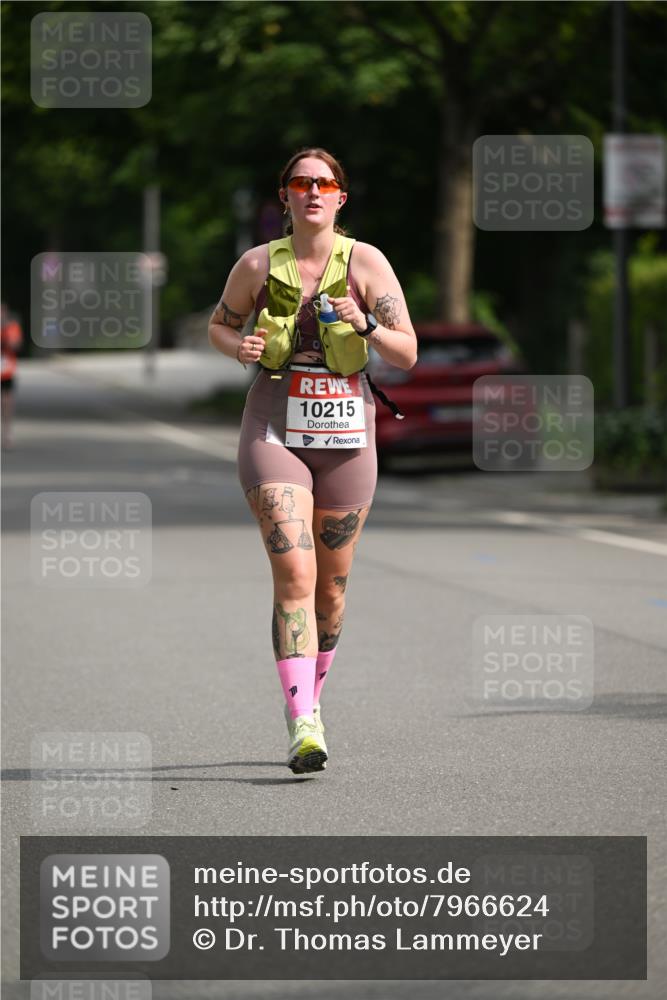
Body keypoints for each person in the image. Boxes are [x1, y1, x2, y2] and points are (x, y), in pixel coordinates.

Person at [208, 148, 417, 775]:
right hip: (274, 430)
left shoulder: (368, 264)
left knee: (330, 590)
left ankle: (311, 699)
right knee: (294, 575)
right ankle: (304, 722)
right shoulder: (255, 264)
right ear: (286, 196)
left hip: (349, 438)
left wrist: (367, 326)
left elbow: (406, 353)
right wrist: (237, 344)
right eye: (301, 183)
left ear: (340, 198)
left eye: (324, 184)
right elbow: (220, 326)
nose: (313, 192)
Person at [1, 303, 23, 450]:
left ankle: (7, 434)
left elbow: (17, 345)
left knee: (6, 402)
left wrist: (8, 341)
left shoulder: (12, 327)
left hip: (6, 371)